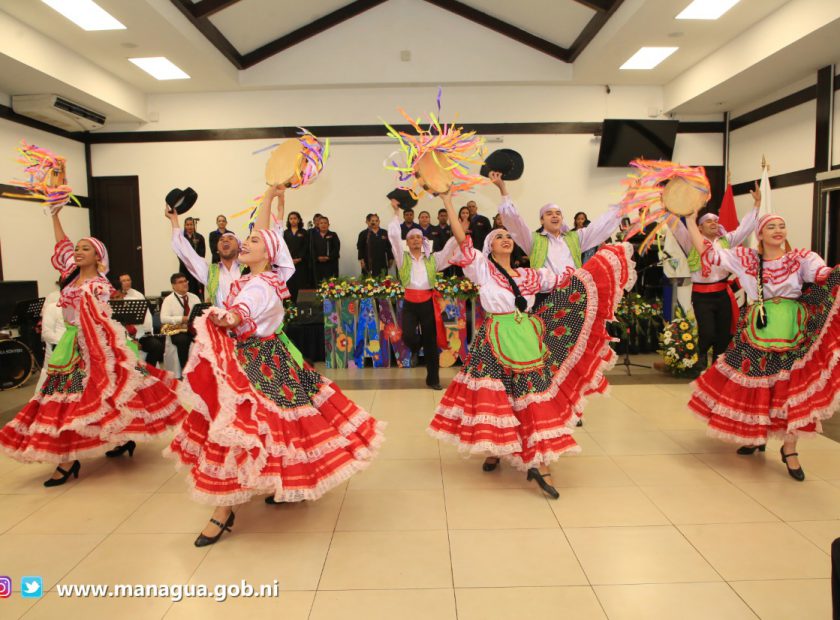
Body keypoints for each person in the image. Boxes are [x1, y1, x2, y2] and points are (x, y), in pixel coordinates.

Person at [165, 185, 384, 547]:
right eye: (244, 239)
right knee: (256, 428)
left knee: (253, 428)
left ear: (268, 252)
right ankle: (237, 500)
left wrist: (228, 317)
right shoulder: (251, 276)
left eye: (252, 240)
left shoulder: (264, 283)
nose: (243, 242)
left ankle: (227, 507)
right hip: (244, 359)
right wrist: (267, 194)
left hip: (261, 362)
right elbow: (262, 238)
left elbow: (244, 309)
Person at [428, 191, 635, 498]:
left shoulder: (529, 275)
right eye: (498, 237)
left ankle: (539, 459)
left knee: (530, 394)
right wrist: (447, 202)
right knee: (497, 395)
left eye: (507, 236)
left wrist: (594, 274)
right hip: (494, 338)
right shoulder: (482, 270)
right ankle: (495, 450)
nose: (505, 239)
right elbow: (463, 243)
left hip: (526, 337)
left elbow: (566, 279)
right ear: (489, 247)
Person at [0, 206, 187, 486]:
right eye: (78, 248)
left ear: (98, 257)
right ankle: (74, 455)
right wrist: (55, 215)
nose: (78, 251)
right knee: (65, 402)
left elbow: (99, 322)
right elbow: (62, 247)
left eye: (85, 249)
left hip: (95, 347)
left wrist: (98, 356)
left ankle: (72, 458)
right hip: (72, 345)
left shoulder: (98, 285)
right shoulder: (72, 277)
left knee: (98, 399)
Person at [685, 211, 840, 481]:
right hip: (758, 332)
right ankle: (757, 437)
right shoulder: (747, 260)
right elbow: (708, 251)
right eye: (771, 227)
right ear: (760, 234)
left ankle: (790, 449)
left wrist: (830, 274)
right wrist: (689, 220)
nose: (778, 231)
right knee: (759, 388)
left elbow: (822, 274)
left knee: (789, 391)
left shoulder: (800, 258)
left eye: (782, 226)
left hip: (795, 334)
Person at [672, 185, 761, 367]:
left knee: (723, 334)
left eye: (716, 220)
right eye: (708, 221)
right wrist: (668, 206)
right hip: (701, 295)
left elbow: (744, 228)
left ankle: (718, 367)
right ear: (699, 227)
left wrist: (757, 204)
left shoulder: (726, 241)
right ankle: (702, 354)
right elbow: (676, 228)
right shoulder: (692, 242)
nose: (714, 223)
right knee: (708, 332)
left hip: (722, 294)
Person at [496, 172, 621, 302]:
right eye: (549, 213)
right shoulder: (533, 240)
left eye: (558, 213)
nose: (554, 216)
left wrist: (627, 201)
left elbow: (600, 226)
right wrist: (503, 189)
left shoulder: (575, 238)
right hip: (545, 298)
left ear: (562, 218)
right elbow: (515, 222)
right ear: (542, 220)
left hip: (574, 295)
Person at [388, 200, 458, 390]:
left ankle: (433, 379)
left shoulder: (432, 259)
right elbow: (394, 237)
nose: (416, 240)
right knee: (409, 336)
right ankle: (415, 347)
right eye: (412, 238)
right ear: (408, 243)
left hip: (428, 302)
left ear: (423, 240)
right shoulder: (402, 259)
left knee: (430, 342)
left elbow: (449, 250)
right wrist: (396, 212)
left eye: (419, 237)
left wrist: (460, 230)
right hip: (410, 302)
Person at [169, 209, 245, 308]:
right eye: (221, 239)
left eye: (230, 238)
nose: (225, 240)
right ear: (217, 249)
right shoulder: (210, 271)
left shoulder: (249, 270)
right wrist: (174, 219)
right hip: (219, 321)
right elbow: (187, 254)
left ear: (239, 247)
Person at [117, 273, 163, 368]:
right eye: (124, 281)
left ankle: (149, 370)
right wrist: (131, 339)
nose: (127, 282)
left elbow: (147, 317)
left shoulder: (138, 295)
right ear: (119, 283)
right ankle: (137, 374)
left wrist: (147, 333)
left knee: (157, 345)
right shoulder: (116, 297)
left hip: (141, 334)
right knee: (131, 348)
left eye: (128, 280)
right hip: (124, 337)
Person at [160, 273, 202, 370]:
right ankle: (185, 370)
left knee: (206, 337)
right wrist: (181, 319)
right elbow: (163, 318)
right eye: (180, 282)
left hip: (192, 328)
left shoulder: (194, 297)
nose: (185, 284)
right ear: (173, 286)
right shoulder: (168, 300)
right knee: (183, 340)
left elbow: (200, 313)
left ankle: (201, 370)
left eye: (185, 281)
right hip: (177, 329)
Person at [35, 285, 64, 393]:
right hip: (56, 350)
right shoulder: (52, 307)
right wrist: (66, 343)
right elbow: (47, 334)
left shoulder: (79, 306)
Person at [283, 210, 309, 302]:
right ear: (288, 220)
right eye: (291, 218)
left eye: (295, 218)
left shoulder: (304, 232)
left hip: (301, 263)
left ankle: (301, 305)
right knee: (290, 284)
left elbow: (306, 247)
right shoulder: (285, 233)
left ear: (298, 220)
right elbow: (283, 248)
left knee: (300, 283)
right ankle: (290, 306)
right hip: (288, 263)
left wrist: (300, 258)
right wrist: (289, 259)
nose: (293, 220)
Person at [180, 217, 206, 298]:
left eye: (191, 224)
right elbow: (179, 253)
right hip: (185, 267)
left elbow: (202, 252)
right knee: (186, 286)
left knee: (197, 287)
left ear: (194, 226)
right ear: (184, 226)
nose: (189, 227)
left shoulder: (199, 237)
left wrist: (196, 262)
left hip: (197, 267)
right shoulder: (181, 237)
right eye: (187, 225)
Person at [311, 215, 340, 282]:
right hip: (318, 264)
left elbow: (336, 248)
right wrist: (317, 257)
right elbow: (312, 249)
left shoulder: (333, 235)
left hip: (331, 264)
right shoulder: (313, 236)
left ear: (328, 224)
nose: (323, 225)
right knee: (318, 284)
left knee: (331, 284)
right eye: (321, 223)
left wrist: (328, 257)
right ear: (318, 225)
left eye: (325, 223)